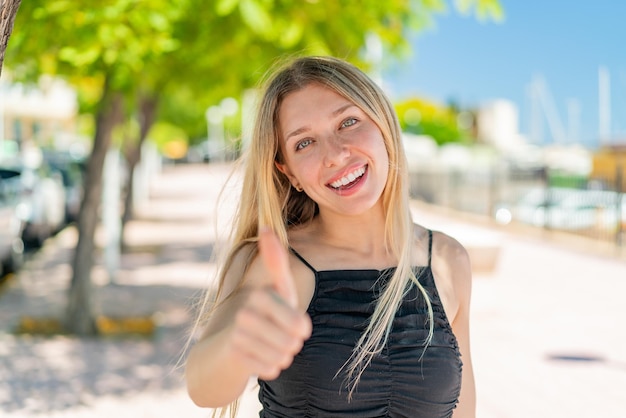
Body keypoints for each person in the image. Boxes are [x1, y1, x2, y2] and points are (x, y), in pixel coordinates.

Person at [185, 55, 475, 418]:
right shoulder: (275, 264)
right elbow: (204, 387)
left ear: (383, 124)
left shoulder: (448, 259)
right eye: (304, 143)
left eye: (348, 122)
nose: (336, 155)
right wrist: (238, 345)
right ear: (288, 172)